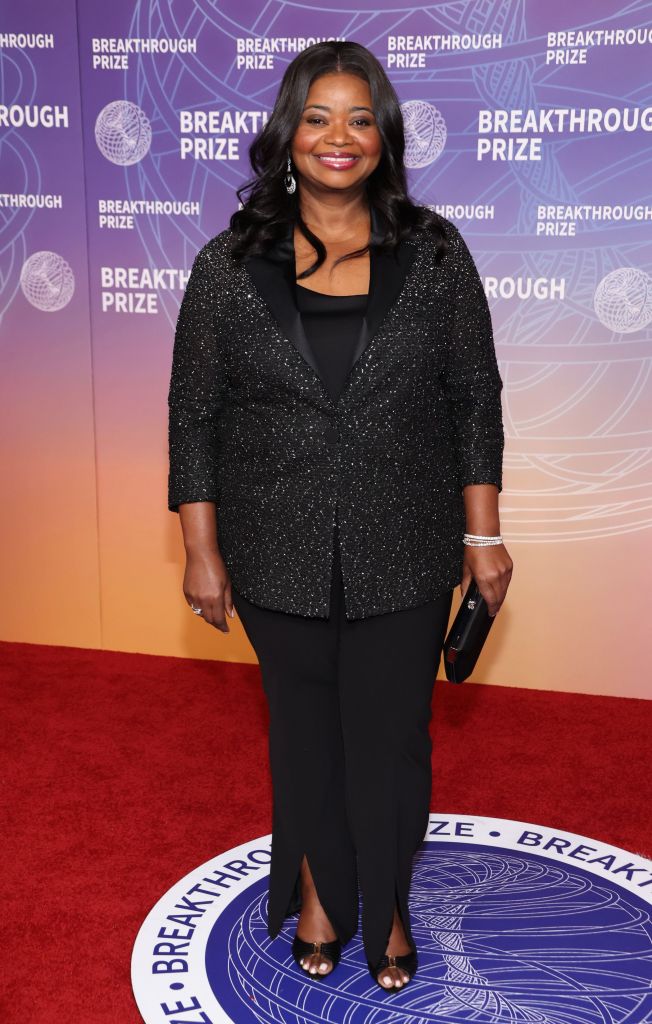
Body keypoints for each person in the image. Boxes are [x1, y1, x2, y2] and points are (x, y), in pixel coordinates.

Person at [167, 40, 513, 992]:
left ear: (384, 137)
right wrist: (201, 549)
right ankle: (319, 895)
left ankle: (390, 904)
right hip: (272, 545)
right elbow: (193, 412)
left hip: (404, 541)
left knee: (393, 734)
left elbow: (473, 395)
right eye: (318, 117)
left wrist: (482, 536)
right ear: (289, 133)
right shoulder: (229, 263)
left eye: (360, 118)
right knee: (305, 732)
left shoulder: (435, 252)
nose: (339, 137)